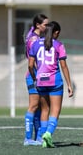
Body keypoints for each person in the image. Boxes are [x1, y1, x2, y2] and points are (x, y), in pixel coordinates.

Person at [28, 21, 74, 148]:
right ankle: (48, 134)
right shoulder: (59, 45)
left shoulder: (35, 44)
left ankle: (43, 139)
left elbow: (30, 65)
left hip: (40, 81)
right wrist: (69, 84)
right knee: (55, 110)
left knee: (44, 109)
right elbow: (63, 66)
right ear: (57, 32)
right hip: (55, 81)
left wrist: (34, 78)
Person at [24, 14, 49, 146]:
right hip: (33, 76)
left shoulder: (34, 36)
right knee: (33, 106)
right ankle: (28, 139)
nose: (47, 27)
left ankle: (38, 137)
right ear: (38, 25)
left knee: (40, 107)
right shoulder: (34, 39)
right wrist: (36, 77)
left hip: (37, 76)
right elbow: (32, 62)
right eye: (45, 24)